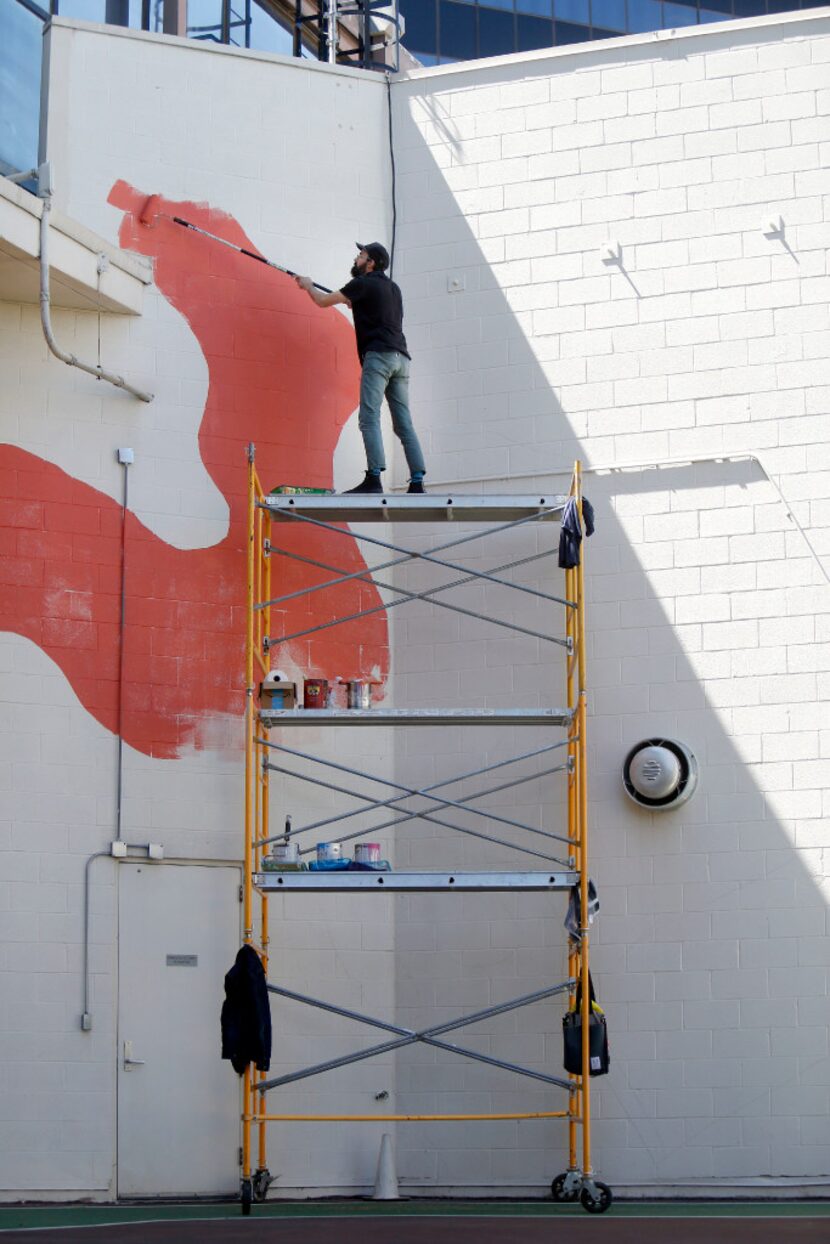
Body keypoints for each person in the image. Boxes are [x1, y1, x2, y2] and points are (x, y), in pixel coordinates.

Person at [294, 243, 426, 494]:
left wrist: (308, 285)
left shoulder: (361, 284)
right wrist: (359, 303)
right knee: (403, 423)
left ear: (371, 262)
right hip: (402, 359)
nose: (357, 258)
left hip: (379, 357)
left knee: (368, 417)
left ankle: (374, 479)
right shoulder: (393, 288)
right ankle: (418, 481)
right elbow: (382, 313)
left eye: (361, 255)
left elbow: (322, 301)